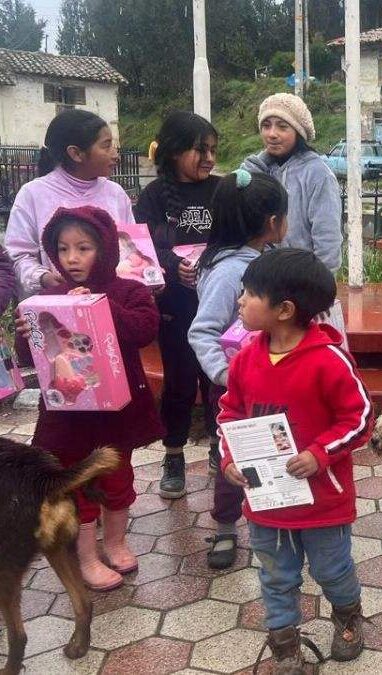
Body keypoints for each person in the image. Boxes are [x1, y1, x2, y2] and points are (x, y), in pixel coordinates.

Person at [219, 248, 373, 671]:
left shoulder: (328, 360)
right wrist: (230, 458)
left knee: (332, 570)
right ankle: (285, 644)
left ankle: (347, 617)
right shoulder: (247, 358)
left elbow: (359, 417)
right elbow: (229, 412)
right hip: (266, 502)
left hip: (322, 502)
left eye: (249, 293)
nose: (240, 300)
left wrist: (319, 453)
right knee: (275, 577)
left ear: (283, 309)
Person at [16, 206, 163, 591]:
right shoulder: (49, 296)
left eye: (83, 248)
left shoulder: (129, 291)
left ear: (107, 249)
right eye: (63, 249)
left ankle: (115, 542)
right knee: (76, 483)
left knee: (117, 476)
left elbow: (143, 330)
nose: (72, 258)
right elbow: (35, 353)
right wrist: (24, 329)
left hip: (117, 415)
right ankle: (85, 557)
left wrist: (101, 305)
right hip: (69, 417)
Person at [189, 170, 288, 569]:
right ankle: (227, 527)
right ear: (271, 223)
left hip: (274, 383)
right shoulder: (231, 272)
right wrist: (226, 376)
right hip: (236, 390)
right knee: (231, 459)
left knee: (278, 450)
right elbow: (203, 331)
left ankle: (281, 515)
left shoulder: (268, 261)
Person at [134, 111, 220, 499]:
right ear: (173, 152)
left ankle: (223, 448)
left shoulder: (223, 189)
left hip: (219, 306)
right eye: (200, 150)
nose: (209, 159)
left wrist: (213, 265)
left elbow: (238, 236)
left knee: (218, 380)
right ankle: (174, 454)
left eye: (213, 150)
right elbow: (141, 248)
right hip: (176, 307)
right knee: (180, 382)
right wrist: (174, 268)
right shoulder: (153, 197)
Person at [6, 110, 133, 301]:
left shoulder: (116, 193)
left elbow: (133, 248)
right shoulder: (33, 194)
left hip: (114, 304)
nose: (115, 155)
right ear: (76, 153)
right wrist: (44, 277)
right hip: (57, 309)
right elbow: (17, 256)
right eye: (106, 146)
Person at [242, 93, 342, 274]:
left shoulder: (318, 174)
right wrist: (256, 164)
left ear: (299, 131)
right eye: (266, 126)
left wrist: (320, 283)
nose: (272, 134)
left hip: (302, 279)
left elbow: (328, 239)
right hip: (263, 278)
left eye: (282, 127)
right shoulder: (260, 169)